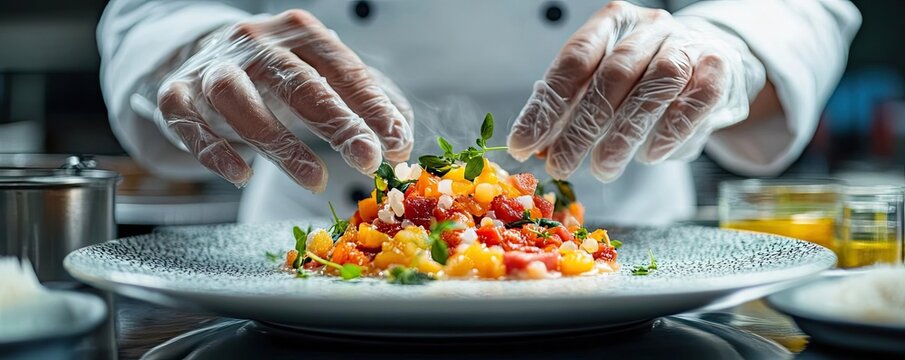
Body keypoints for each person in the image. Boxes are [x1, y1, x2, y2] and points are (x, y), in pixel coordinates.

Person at [98, 0, 860, 225]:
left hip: (620, 242)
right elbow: (145, 14)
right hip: (302, 237)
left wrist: (727, 50)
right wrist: (191, 47)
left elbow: (806, 7)